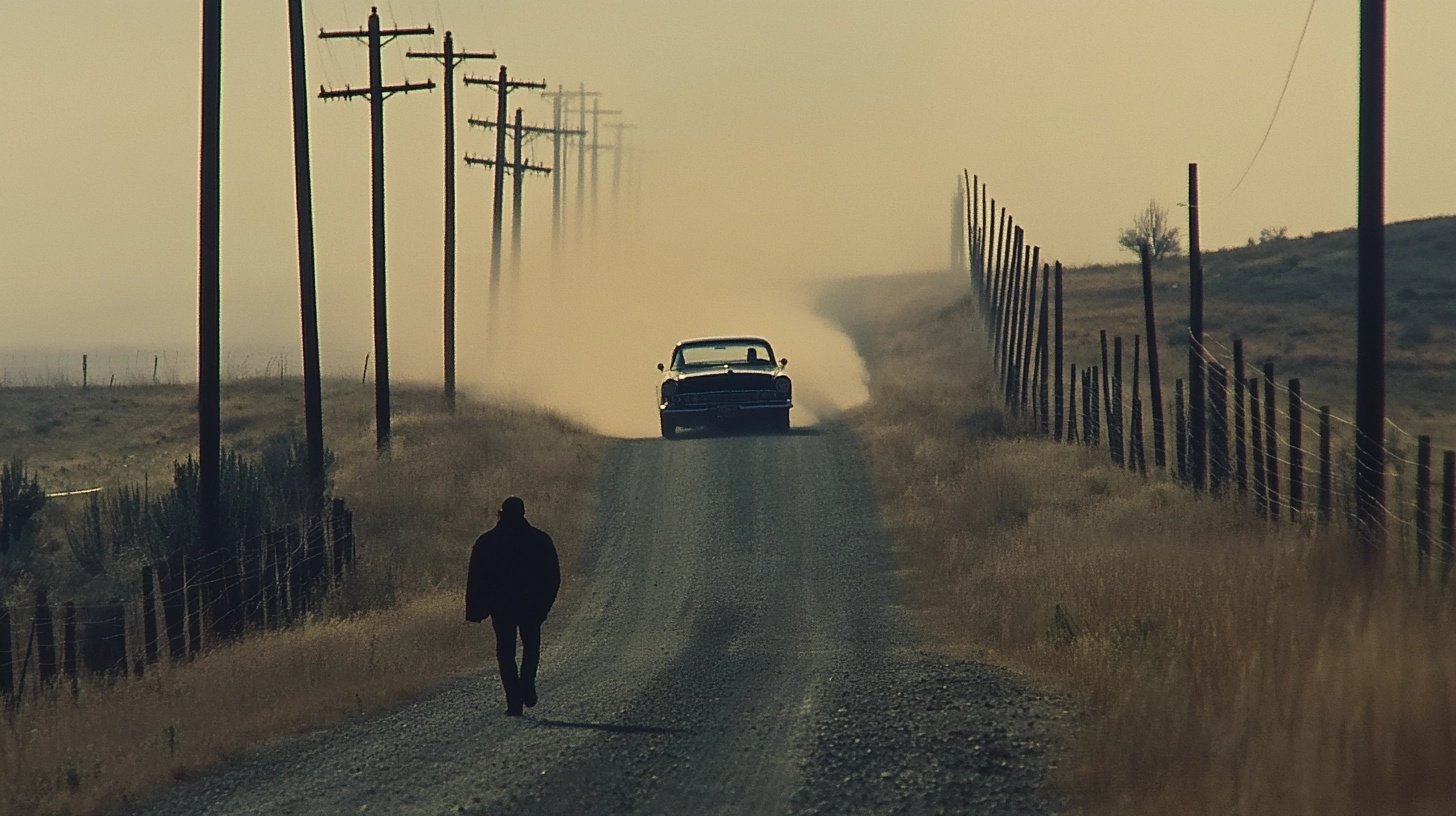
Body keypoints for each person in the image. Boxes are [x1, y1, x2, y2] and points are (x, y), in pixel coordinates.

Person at [465, 496, 561, 716]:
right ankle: (527, 684)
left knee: (505, 652)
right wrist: (545, 605)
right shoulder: (539, 540)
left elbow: (476, 578)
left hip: (502, 607)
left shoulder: (487, 542)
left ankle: (513, 699)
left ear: (501, 513)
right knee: (531, 647)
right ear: (523, 513)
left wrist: (475, 610)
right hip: (531, 606)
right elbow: (552, 577)